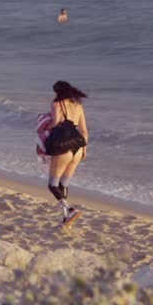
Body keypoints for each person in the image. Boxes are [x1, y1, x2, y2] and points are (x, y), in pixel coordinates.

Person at [43, 80, 88, 226]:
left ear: (58, 92)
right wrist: (84, 149)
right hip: (78, 147)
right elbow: (84, 131)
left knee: (52, 184)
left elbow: (55, 123)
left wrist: (44, 126)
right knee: (64, 183)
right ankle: (65, 216)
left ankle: (70, 209)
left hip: (64, 146)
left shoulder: (57, 104)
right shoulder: (78, 105)